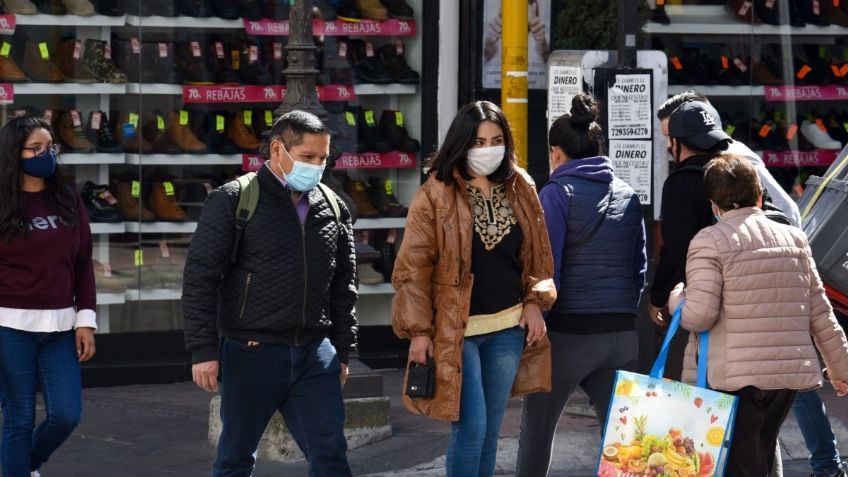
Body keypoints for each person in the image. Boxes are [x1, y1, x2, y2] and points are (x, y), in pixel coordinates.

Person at [659, 92, 845, 477]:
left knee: (742, 464)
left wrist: (678, 297)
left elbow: (700, 314)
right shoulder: (793, 238)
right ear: (760, 194)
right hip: (785, 381)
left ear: (713, 203)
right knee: (759, 456)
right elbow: (820, 313)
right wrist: (841, 368)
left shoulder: (709, 240)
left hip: (736, 377)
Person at [182, 110, 358, 476]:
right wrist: (202, 351)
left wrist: (342, 350)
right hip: (251, 352)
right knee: (235, 458)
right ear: (278, 150)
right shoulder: (233, 199)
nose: (316, 166)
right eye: (308, 157)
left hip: (314, 353)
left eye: (323, 158)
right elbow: (200, 278)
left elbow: (344, 285)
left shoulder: (333, 205)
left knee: (331, 457)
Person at [391, 100, 556, 477]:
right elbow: (412, 267)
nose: (488, 149)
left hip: (507, 330)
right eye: (479, 142)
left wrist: (534, 301)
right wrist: (419, 331)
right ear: (462, 144)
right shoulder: (436, 192)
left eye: (496, 140)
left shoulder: (521, 186)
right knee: (471, 427)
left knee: (491, 430)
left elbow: (539, 257)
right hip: (456, 331)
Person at [515, 94, 647, 476]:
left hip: (567, 337)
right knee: (625, 442)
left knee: (537, 432)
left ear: (556, 153)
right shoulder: (627, 195)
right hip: (621, 336)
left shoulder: (556, 194)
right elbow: (638, 268)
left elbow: (545, 268)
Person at [0, 116, 97, 477]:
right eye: (35, 149)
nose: (46, 155)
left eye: (50, 147)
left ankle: (24, 467)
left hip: (60, 326)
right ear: (14, 153)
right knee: (19, 418)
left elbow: (84, 262)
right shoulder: (3, 202)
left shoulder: (68, 199)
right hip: (8, 326)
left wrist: (85, 319)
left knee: (66, 414)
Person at [648, 100, 731, 380]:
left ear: (676, 142)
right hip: (740, 300)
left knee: (680, 384)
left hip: (698, 302)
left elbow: (675, 250)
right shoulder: (738, 174)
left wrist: (658, 298)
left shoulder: (681, 183)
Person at [655, 91, 801, 226]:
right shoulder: (697, 169)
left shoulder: (734, 157)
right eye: (667, 137)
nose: (670, 145)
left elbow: (788, 212)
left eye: (673, 136)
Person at [482, 0, 550, 89]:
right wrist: (489, 42)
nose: (517, 16)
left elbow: (546, 57)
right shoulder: (494, 32)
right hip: (495, 90)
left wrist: (541, 42)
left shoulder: (542, 35)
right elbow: (486, 56)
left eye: (522, 10)